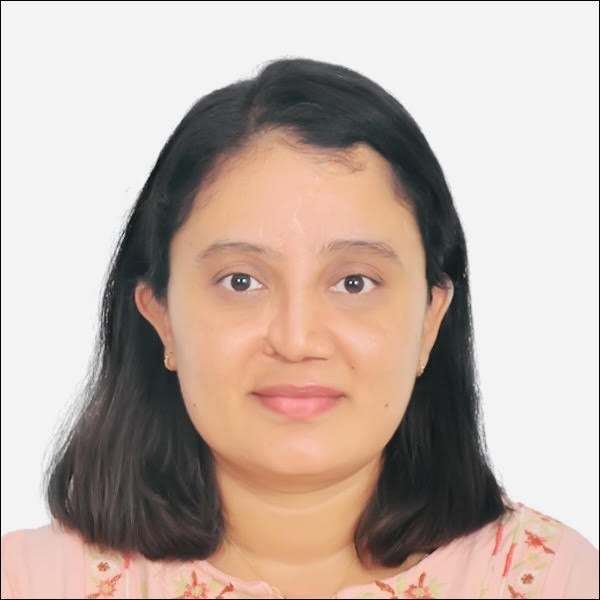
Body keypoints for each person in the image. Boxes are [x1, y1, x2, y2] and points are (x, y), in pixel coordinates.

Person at [1, 57, 597, 600]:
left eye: (354, 282)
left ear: (429, 321)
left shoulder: (552, 580)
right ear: (161, 318)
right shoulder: (30, 582)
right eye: (241, 281)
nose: (296, 340)